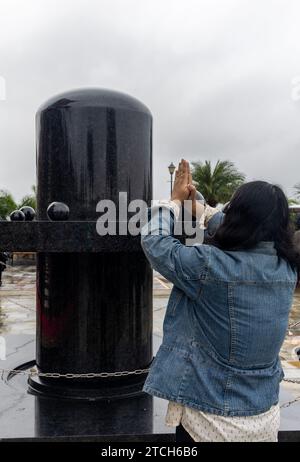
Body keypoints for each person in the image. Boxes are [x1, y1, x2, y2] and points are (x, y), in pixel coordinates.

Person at [141, 159, 299, 442]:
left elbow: (156, 242)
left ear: (237, 216)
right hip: (263, 416)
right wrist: (196, 204)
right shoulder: (286, 268)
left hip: (210, 418)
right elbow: (243, 229)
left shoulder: (210, 266)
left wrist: (173, 204)